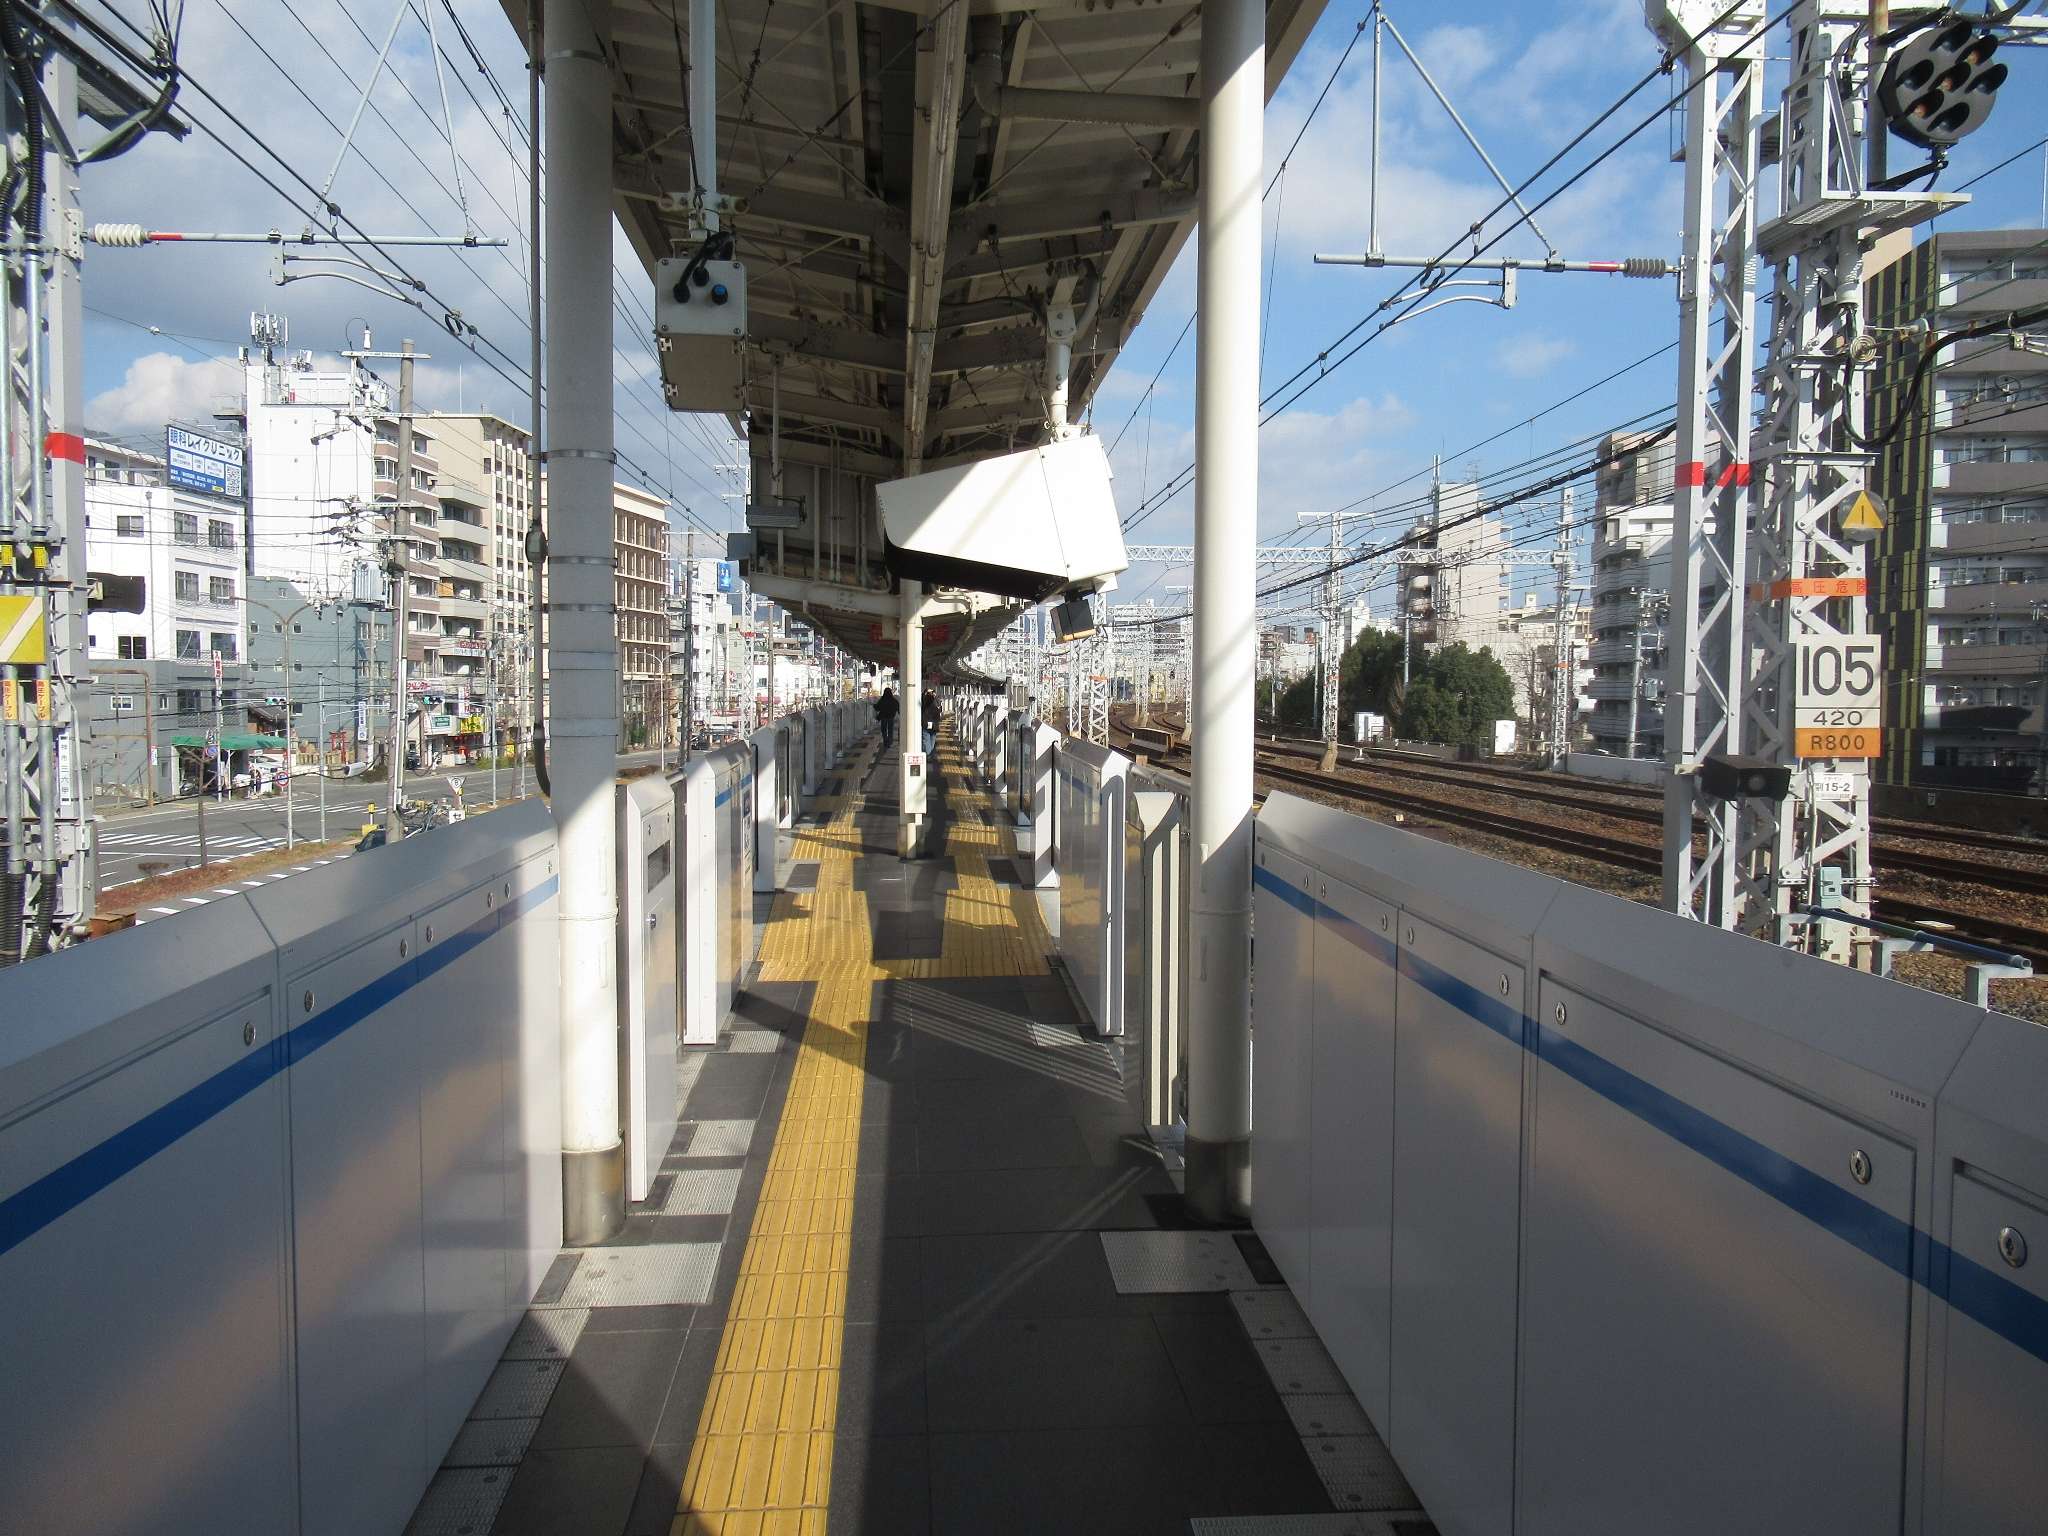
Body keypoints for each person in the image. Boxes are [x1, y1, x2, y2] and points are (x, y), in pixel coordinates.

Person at [921, 690, 939, 756]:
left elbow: (922, 717)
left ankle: (929, 754)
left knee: (926, 741)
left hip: (926, 726)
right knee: (932, 741)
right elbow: (938, 718)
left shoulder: (923, 708)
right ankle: (930, 753)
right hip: (934, 727)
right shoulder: (936, 708)